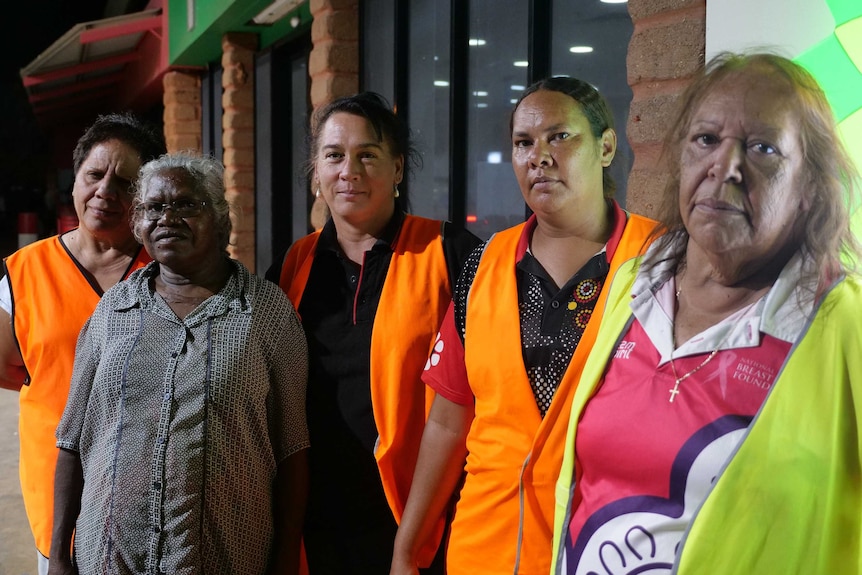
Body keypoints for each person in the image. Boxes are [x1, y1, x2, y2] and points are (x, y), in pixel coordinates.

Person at [549, 52, 862, 574]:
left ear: (810, 188)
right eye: (706, 140)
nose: (727, 166)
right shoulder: (633, 283)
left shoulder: (841, 323)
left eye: (763, 148)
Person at [390, 77, 657, 575]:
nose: (539, 156)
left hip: (610, 550)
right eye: (523, 143)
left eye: (560, 136)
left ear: (605, 146)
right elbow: (449, 421)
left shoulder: (660, 263)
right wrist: (408, 548)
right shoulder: (483, 266)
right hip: (487, 550)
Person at [49, 153, 309, 575]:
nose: (166, 218)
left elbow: (293, 451)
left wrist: (283, 562)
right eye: (153, 207)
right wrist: (60, 556)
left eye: (186, 204)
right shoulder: (112, 312)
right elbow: (72, 441)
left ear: (221, 220)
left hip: (226, 560)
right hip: (108, 559)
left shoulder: (266, 312)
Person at [266, 91, 481, 574]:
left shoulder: (449, 252)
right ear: (316, 173)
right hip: (316, 524)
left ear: (398, 169)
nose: (350, 170)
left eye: (369, 155)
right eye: (334, 156)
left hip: (420, 523)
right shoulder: (292, 266)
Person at [0, 112, 165, 575]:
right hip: (56, 500)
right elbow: (10, 368)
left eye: (125, 182)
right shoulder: (24, 271)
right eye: (95, 174)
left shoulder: (169, 270)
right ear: (75, 178)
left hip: (149, 496)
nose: (106, 192)